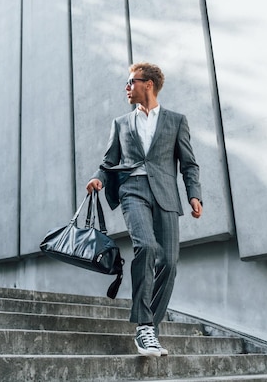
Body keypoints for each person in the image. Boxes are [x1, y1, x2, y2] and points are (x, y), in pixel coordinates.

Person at [86, 62, 202, 357]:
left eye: (131, 82)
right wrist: (99, 178)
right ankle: (144, 326)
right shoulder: (121, 123)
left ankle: (149, 325)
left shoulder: (176, 121)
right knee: (146, 247)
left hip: (165, 194)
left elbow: (188, 164)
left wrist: (194, 195)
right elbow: (108, 161)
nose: (126, 87)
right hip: (132, 191)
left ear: (147, 84)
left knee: (170, 263)